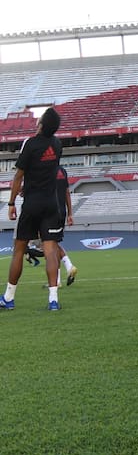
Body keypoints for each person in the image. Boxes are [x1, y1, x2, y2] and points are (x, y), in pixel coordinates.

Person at [3, 107, 65, 311]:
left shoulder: (30, 143)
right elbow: (46, 171)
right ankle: (53, 300)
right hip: (51, 203)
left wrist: (11, 203)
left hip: (32, 203)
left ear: (41, 124)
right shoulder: (57, 144)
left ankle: (9, 297)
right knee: (50, 252)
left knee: (19, 251)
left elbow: (19, 175)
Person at [55, 166, 78, 285]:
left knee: (48, 244)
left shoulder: (44, 169)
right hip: (61, 212)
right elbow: (67, 193)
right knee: (54, 244)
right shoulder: (62, 171)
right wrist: (70, 214)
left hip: (48, 212)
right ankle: (58, 279)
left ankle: (69, 267)